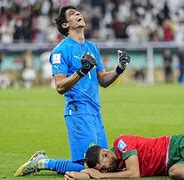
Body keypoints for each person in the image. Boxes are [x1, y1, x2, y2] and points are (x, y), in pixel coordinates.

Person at [14, 5, 130, 176]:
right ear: (65, 25)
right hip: (78, 112)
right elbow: (60, 86)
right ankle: (42, 162)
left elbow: (103, 80)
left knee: (110, 164)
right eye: (72, 13)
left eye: (78, 11)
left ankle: (44, 161)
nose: (78, 13)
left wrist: (120, 68)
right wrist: (82, 70)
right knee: (90, 169)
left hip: (96, 112)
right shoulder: (61, 51)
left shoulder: (91, 47)